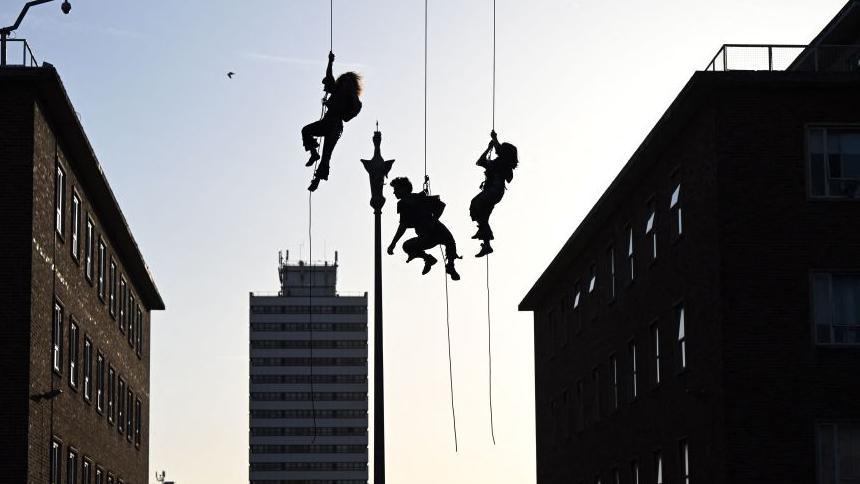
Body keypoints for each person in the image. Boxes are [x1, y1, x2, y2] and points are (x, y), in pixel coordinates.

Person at [301, 51, 363, 192]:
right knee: (306, 131)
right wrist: (330, 62)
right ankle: (313, 153)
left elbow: (347, 117)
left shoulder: (353, 99)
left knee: (326, 155)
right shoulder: (337, 90)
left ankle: (316, 179)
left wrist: (333, 106)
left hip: (335, 125)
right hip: (327, 121)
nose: (345, 83)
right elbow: (329, 78)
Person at [387, 177, 461, 280]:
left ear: (404, 189)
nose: (394, 192)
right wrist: (393, 243)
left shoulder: (419, 198)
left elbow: (440, 206)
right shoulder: (403, 204)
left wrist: (433, 220)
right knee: (407, 246)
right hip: (425, 236)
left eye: (396, 189)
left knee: (450, 242)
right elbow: (402, 226)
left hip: (436, 229)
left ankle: (451, 266)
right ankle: (428, 259)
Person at [470, 130, 518, 257]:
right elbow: (481, 161)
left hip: (493, 191)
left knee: (476, 203)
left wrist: (493, 142)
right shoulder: (502, 163)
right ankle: (487, 245)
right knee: (483, 215)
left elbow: (481, 161)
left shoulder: (502, 163)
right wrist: (492, 144)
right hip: (495, 192)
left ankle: (484, 231)